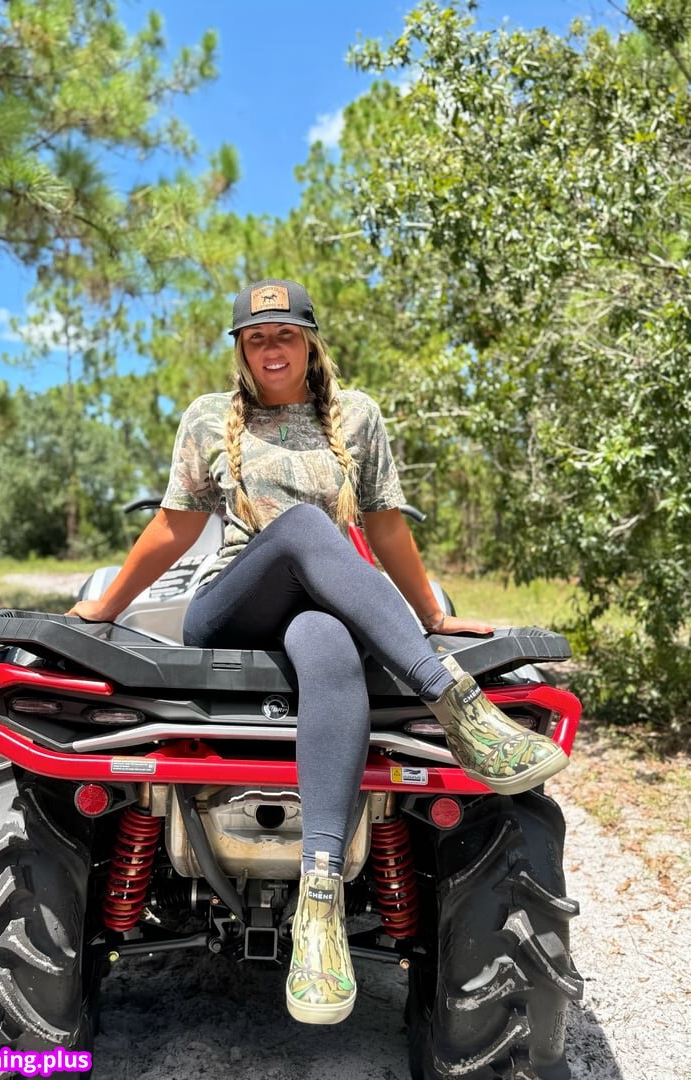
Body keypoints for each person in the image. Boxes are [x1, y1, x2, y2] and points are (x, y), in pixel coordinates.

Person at [68, 278, 569, 1026]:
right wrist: (104, 608)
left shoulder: (357, 416)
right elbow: (175, 526)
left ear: (309, 342)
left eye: (285, 335)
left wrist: (434, 613)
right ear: (242, 350)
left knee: (329, 637)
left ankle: (322, 904)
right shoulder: (208, 417)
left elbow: (387, 525)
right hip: (233, 607)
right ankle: (454, 704)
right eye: (256, 338)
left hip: (318, 617)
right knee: (304, 528)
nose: (271, 349)